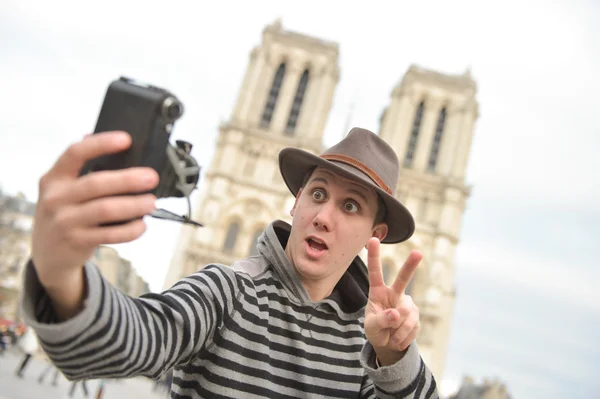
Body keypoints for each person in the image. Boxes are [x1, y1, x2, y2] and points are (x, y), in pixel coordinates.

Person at [20, 127, 439, 398]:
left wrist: (393, 357)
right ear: (295, 203)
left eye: (350, 206)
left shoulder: (367, 342)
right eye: (317, 194)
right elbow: (136, 339)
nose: (323, 216)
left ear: (374, 236)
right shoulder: (229, 290)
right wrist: (59, 273)